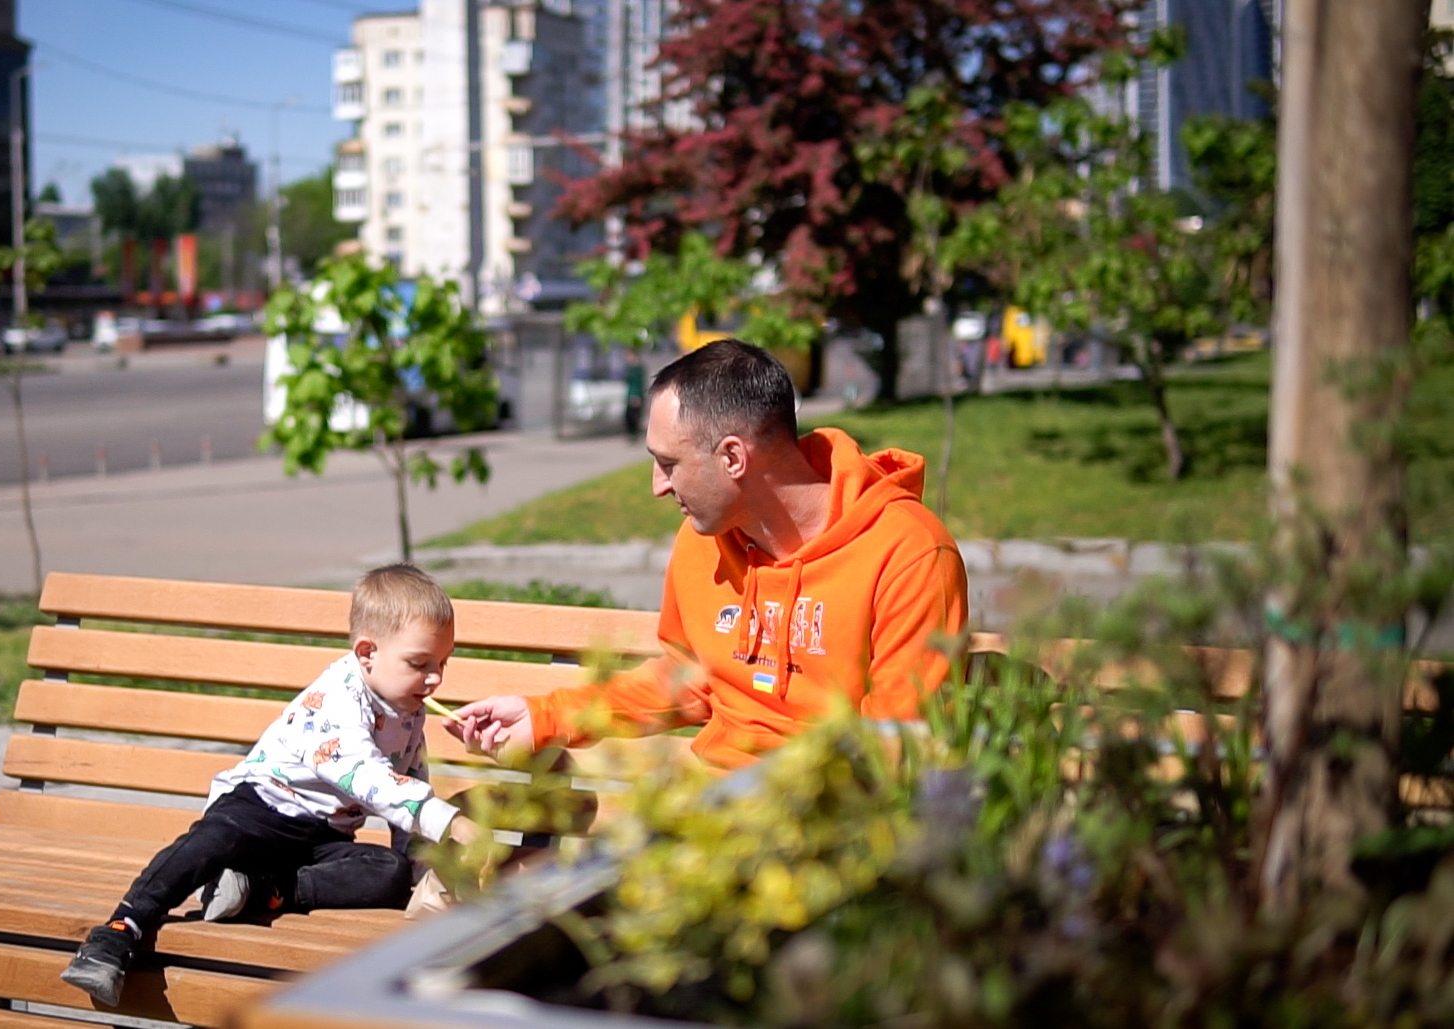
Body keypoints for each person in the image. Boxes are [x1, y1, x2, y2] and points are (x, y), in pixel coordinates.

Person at [449, 339, 967, 769]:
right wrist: (546, 717)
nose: (658, 486)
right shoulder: (704, 537)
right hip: (711, 823)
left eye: (668, 463)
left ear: (734, 457)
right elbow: (688, 677)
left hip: (824, 834)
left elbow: (896, 746)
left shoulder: (909, 553)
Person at [61, 564, 484, 1006]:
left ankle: (261, 888)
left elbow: (409, 778)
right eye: (420, 663)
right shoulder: (337, 699)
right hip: (262, 806)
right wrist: (444, 819)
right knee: (212, 839)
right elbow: (364, 775)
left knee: (388, 873)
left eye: (443, 662)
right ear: (366, 653)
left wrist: (421, 873)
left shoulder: (408, 708)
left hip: (321, 835)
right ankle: (118, 931)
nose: (436, 678)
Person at [623, 347, 647, 441]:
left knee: (634, 416)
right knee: (628, 416)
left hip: (636, 395)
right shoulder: (629, 368)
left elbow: (640, 383)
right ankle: (631, 434)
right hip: (630, 394)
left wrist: (638, 396)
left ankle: (634, 435)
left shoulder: (638, 369)